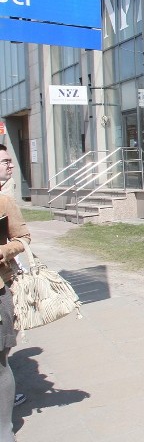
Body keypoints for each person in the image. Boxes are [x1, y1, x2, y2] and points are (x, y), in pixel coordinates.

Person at [0, 144, 30, 442]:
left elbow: (23, 237)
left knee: (1, 357)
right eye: (4, 161)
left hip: (0, 289)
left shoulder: (5, 202)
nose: (10, 165)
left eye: (10, 160)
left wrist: (5, 250)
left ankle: (4, 429)